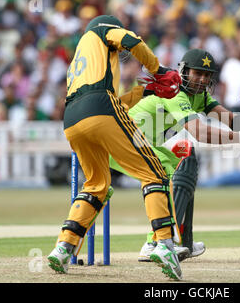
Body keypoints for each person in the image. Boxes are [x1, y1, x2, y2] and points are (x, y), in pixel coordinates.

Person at [47, 15, 184, 280]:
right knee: (154, 172)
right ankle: (165, 245)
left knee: (96, 185)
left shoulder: (80, 59)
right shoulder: (100, 29)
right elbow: (131, 40)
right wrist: (158, 70)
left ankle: (63, 248)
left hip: (72, 119)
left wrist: (145, 93)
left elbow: (114, 103)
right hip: (101, 108)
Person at [109, 49, 240, 262]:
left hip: (143, 142)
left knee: (185, 163)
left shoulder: (200, 96)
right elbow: (200, 132)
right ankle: (155, 243)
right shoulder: (174, 91)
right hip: (121, 139)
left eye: (207, 75)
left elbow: (229, 119)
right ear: (183, 71)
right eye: (197, 73)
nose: (202, 80)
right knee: (172, 170)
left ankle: (182, 242)